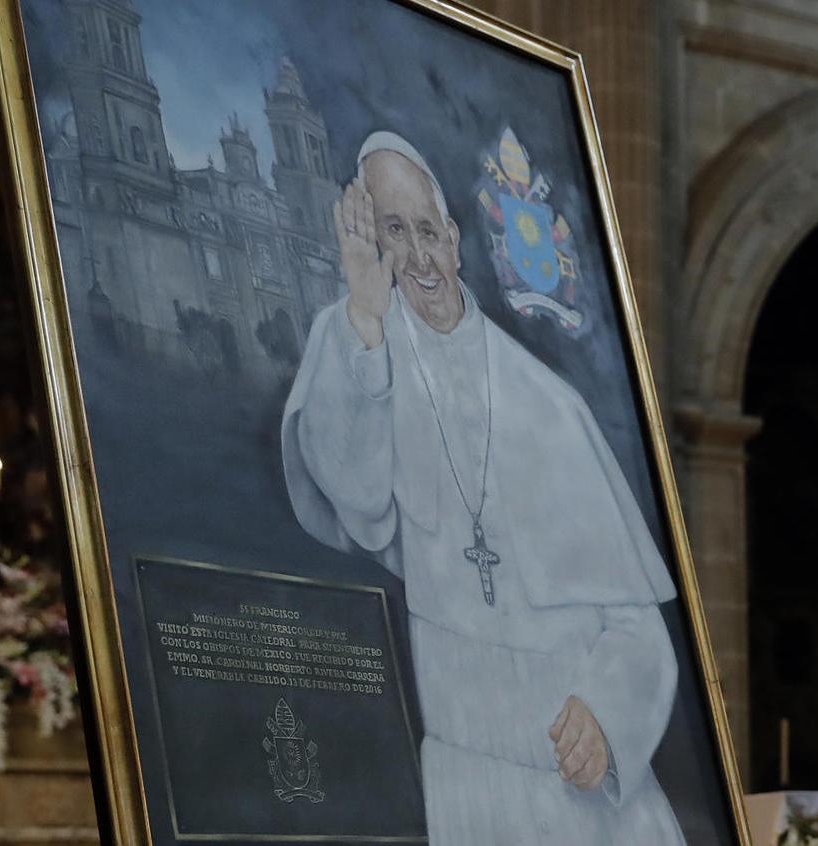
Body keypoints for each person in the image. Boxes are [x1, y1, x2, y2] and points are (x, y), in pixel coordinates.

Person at [281, 131, 684, 843]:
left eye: (427, 231)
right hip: (470, 779)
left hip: (589, 796)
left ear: (457, 238)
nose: (417, 256)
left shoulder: (548, 403)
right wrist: (366, 326)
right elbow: (356, 499)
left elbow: (637, 628)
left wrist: (607, 717)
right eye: (392, 232)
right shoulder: (350, 341)